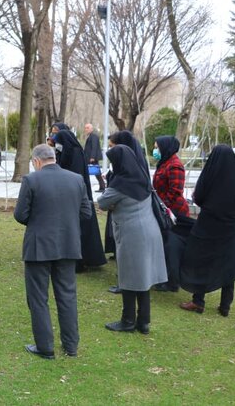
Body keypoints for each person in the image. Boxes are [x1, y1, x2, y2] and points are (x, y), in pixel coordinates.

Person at [14, 144, 91, 359]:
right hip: (68, 244)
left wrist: (39, 222)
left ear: (37, 161)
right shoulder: (76, 179)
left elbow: (20, 215)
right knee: (67, 296)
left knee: (38, 297)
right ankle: (71, 345)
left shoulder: (31, 180)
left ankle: (45, 347)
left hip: (39, 246)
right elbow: (86, 212)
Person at [98, 145, 167, 335]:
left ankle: (128, 321)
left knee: (128, 277)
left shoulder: (121, 183)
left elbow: (102, 203)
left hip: (132, 233)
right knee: (143, 277)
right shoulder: (142, 177)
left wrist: (114, 204)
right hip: (150, 229)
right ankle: (143, 321)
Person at [179, 145, 235, 316]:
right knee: (228, 263)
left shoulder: (211, 174)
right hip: (232, 227)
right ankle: (225, 305)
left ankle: (198, 301)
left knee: (201, 260)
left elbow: (199, 197)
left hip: (208, 225)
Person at [52, 130, 107, 270]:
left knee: (78, 230)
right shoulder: (67, 151)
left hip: (76, 198)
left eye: (58, 142)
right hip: (69, 197)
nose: (57, 145)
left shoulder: (75, 152)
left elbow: (75, 177)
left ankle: (80, 262)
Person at [105, 130, 150, 294]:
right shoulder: (134, 162)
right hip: (129, 214)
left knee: (128, 250)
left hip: (128, 216)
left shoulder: (129, 168)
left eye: (112, 146)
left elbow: (105, 201)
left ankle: (127, 284)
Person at [151, 135, 190, 292]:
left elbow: (175, 191)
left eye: (157, 147)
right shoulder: (165, 162)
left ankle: (172, 282)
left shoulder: (175, 166)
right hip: (165, 211)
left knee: (171, 247)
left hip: (175, 213)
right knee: (165, 246)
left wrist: (162, 206)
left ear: (165, 147)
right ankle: (165, 277)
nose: (155, 150)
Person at [83, 123, 106, 192]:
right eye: (85, 128)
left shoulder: (94, 136)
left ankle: (102, 187)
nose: (86, 129)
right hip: (89, 158)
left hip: (92, 158)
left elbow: (94, 147)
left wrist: (92, 157)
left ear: (91, 129)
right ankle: (102, 187)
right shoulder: (91, 136)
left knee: (97, 173)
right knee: (97, 173)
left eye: (87, 128)